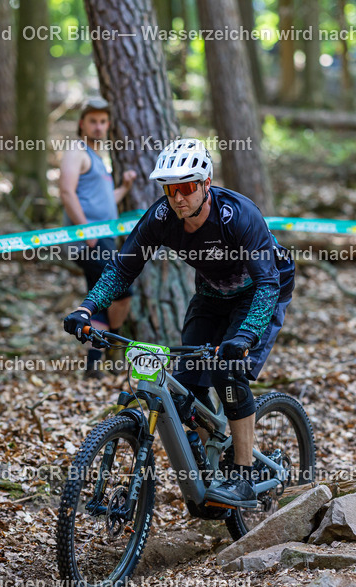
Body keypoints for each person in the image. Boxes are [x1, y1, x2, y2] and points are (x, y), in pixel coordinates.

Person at [63, 139, 295, 508]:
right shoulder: (161, 218)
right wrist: (86, 309)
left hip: (263, 288)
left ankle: (245, 473)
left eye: (187, 187)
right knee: (185, 389)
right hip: (212, 295)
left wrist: (245, 336)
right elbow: (124, 267)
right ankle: (213, 469)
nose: (178, 197)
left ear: (205, 184)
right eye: (170, 189)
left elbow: (267, 283)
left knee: (227, 370)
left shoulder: (238, 215)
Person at [57, 96, 136, 379]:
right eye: (93, 121)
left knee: (106, 296)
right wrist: (86, 232)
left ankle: (97, 358)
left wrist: (124, 187)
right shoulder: (76, 151)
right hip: (90, 239)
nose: (99, 126)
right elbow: (66, 191)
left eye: (103, 121)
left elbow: (104, 202)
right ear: (82, 123)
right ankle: (107, 347)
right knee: (118, 292)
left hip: (102, 238)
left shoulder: (97, 157)